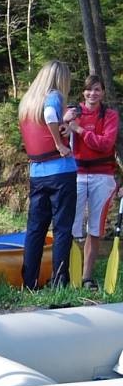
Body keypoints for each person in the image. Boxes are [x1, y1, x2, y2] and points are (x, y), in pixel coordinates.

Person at [18, 60, 77, 289]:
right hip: (61, 172)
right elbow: (51, 114)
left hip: (37, 174)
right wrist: (60, 145)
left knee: (35, 229)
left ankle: (29, 282)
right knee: (62, 228)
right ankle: (59, 281)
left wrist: (66, 125)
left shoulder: (27, 102)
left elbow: (45, 123)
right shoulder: (53, 96)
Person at [63, 74, 119, 290]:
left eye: (97, 90)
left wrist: (79, 130)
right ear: (83, 92)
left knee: (95, 228)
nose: (92, 94)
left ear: (103, 92)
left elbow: (105, 145)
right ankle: (68, 273)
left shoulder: (110, 115)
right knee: (71, 227)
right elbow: (56, 133)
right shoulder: (72, 112)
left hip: (102, 176)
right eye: (89, 90)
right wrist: (66, 122)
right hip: (75, 174)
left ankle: (86, 277)